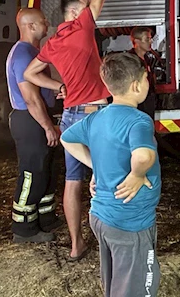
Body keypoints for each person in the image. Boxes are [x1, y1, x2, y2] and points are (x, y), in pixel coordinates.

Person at [23, 0, 121, 261]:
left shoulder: (53, 42)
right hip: (95, 114)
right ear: (76, 11)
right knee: (106, 178)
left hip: (70, 117)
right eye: (85, 7)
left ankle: (77, 245)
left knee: (73, 182)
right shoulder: (81, 26)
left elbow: (30, 73)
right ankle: (112, 242)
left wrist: (58, 87)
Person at [60, 52, 161, 297]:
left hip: (102, 217)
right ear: (137, 85)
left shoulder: (97, 117)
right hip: (130, 222)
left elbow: (67, 138)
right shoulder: (139, 121)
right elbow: (144, 156)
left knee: (118, 281)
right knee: (136, 288)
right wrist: (137, 174)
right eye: (147, 78)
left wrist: (97, 165)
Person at [6, 8, 63, 242]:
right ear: (30, 26)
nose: (47, 24)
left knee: (47, 169)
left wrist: (55, 89)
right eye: (42, 21)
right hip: (30, 120)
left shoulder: (30, 51)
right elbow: (30, 98)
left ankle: (45, 218)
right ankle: (24, 228)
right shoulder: (22, 55)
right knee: (32, 171)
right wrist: (47, 126)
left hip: (37, 116)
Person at [130, 26, 160, 120]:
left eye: (151, 39)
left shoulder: (147, 59)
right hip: (138, 104)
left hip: (148, 101)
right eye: (147, 39)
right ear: (137, 42)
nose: (151, 42)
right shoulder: (131, 61)